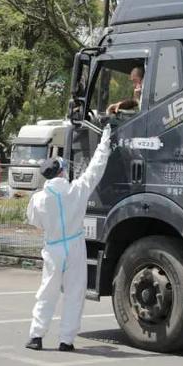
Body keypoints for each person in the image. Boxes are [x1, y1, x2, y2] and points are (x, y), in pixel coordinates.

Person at [25, 124, 112, 352]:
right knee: (74, 294)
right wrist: (104, 142)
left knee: (47, 292)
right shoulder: (78, 190)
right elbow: (95, 169)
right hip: (74, 245)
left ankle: (36, 336)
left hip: (53, 248)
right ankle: (66, 340)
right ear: (62, 172)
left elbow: (35, 221)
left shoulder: (39, 199)